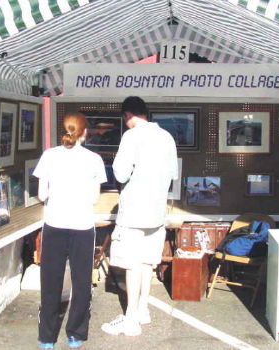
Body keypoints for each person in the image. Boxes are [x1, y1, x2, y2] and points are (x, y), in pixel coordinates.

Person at [101, 96, 178, 336]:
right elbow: (172, 175)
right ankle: (143, 310)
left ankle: (131, 320)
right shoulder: (166, 137)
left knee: (132, 265)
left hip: (134, 211)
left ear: (128, 116)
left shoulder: (131, 136)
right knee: (146, 262)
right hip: (157, 211)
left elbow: (121, 174)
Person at [34, 112, 107, 349]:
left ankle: (46, 337)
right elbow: (95, 197)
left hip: (54, 223)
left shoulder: (49, 155)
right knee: (81, 281)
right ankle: (75, 334)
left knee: (50, 280)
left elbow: (41, 194)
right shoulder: (94, 159)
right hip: (82, 225)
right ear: (85, 132)